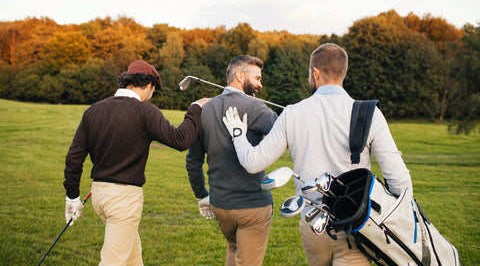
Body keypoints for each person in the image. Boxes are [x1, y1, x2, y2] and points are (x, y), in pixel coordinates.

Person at [222, 43, 413, 266]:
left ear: (315, 73)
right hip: (357, 228)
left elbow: (253, 162)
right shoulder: (370, 113)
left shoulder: (292, 112)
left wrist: (238, 133)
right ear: (343, 72)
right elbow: (399, 180)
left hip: (313, 227)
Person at [63, 60, 210, 266]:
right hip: (124, 200)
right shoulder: (145, 111)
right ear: (148, 85)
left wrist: (72, 196)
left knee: (132, 258)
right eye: (153, 90)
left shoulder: (93, 111)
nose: (151, 95)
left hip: (99, 196)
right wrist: (195, 108)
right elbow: (180, 140)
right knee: (112, 262)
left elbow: (74, 157)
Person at [185, 55, 278, 266]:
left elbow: (193, 161)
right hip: (252, 206)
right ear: (239, 76)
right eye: (256, 78)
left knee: (234, 248)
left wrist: (201, 195)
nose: (260, 84)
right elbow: (285, 136)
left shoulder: (204, 110)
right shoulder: (256, 107)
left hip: (220, 205)